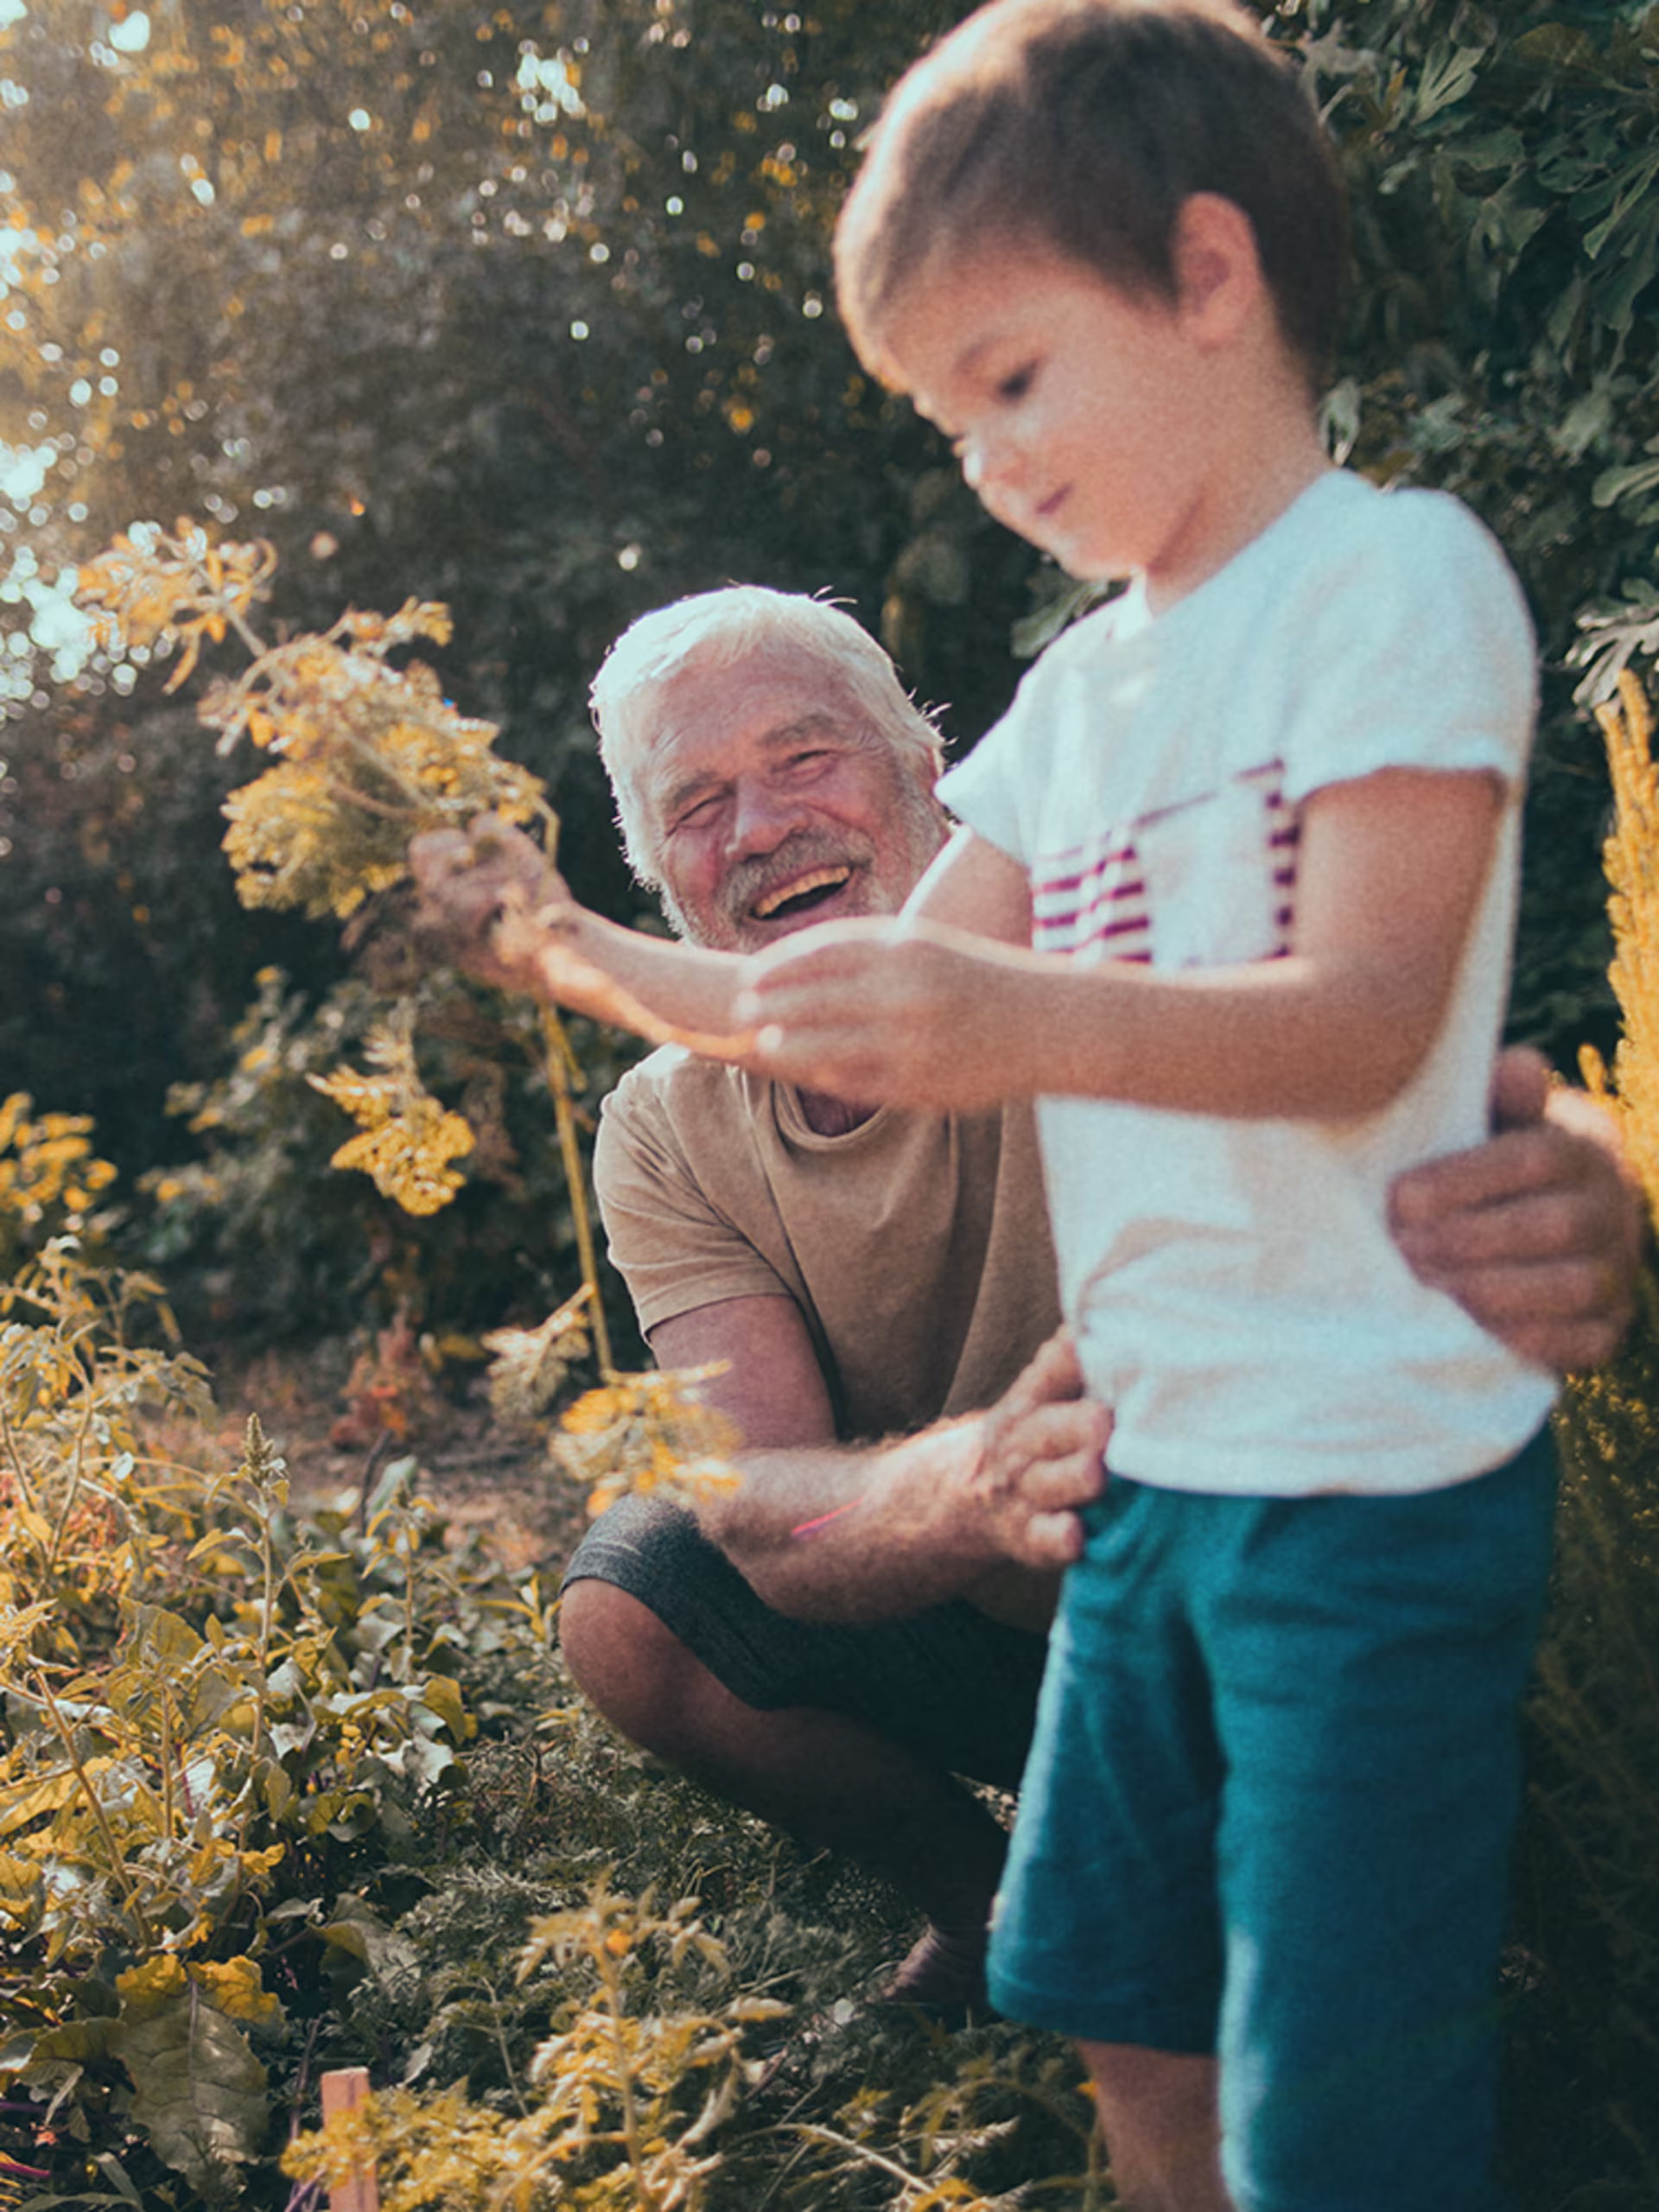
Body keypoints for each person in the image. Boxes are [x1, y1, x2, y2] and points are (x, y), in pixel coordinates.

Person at [411, 582, 1643, 2051]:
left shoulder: (1095, 925)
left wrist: (1587, 1170)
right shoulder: (667, 1126)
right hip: (1000, 1614)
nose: (759, 829)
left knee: (1566, 1946)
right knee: (639, 1599)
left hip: (1264, 1594)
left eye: (807, 758)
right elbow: (753, 1503)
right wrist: (976, 1484)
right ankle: (988, 1909)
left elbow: (1374, 1045)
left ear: (936, 771)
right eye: (699, 803)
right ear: (656, 873)